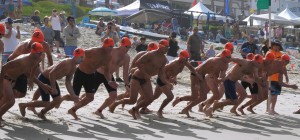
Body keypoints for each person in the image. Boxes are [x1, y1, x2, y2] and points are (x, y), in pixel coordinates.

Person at [109, 40, 173, 119]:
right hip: (137, 77)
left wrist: (167, 83)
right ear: (161, 47)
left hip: (146, 79)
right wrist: (145, 73)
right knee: (132, 100)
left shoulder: (163, 59)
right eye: (167, 47)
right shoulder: (151, 54)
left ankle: (134, 109)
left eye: (168, 47)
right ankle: (116, 103)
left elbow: (161, 74)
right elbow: (138, 62)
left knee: (150, 98)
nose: (168, 49)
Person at [18, 48, 86, 120]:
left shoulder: (73, 68)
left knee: (57, 100)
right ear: (75, 56)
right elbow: (51, 73)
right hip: (44, 78)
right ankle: (23, 105)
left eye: (83, 57)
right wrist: (53, 88)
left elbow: (68, 82)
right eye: (81, 57)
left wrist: (73, 95)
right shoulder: (66, 62)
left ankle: (42, 113)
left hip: (51, 79)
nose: (82, 59)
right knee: (46, 102)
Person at [0, 42, 49, 127]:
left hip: (14, 79)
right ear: (33, 52)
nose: (41, 54)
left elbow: (34, 67)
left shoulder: (38, 58)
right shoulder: (22, 60)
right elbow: (4, 67)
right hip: (6, 78)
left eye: (42, 52)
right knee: (11, 101)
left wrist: (37, 83)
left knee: (7, 98)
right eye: (39, 52)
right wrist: (1, 86)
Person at [67, 38, 116, 120]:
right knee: (74, 96)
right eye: (109, 46)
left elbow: (107, 72)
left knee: (90, 97)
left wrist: (110, 81)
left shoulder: (108, 57)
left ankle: (72, 110)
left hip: (91, 76)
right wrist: (70, 65)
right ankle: (59, 100)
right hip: (80, 73)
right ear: (104, 46)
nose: (111, 48)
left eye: (112, 46)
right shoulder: (93, 51)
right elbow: (78, 53)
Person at [174, 49, 232, 118]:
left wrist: (225, 78)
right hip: (196, 74)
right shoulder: (215, 61)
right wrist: (197, 82)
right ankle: (180, 99)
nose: (229, 59)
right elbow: (212, 76)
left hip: (203, 76)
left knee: (203, 97)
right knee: (194, 96)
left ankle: (186, 109)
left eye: (230, 57)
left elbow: (219, 79)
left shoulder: (225, 65)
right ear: (223, 57)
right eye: (227, 57)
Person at [143, 50, 199, 118]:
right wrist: (169, 81)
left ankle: (143, 107)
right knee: (170, 97)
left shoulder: (184, 62)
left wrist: (197, 74)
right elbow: (162, 72)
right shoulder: (173, 63)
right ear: (181, 57)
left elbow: (190, 68)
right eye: (186, 58)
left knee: (155, 96)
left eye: (187, 59)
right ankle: (159, 111)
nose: (187, 60)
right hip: (162, 79)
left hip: (167, 79)